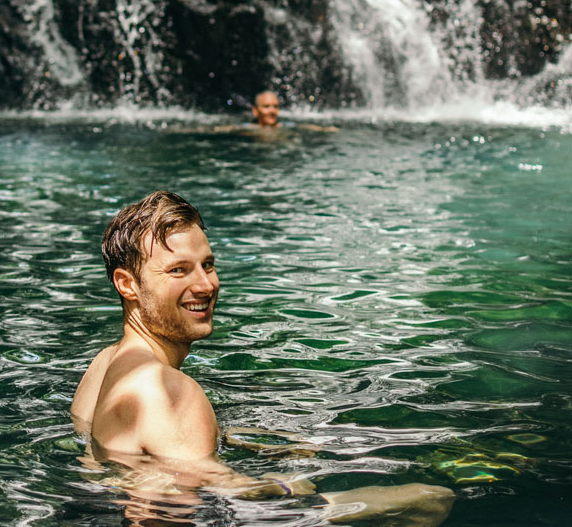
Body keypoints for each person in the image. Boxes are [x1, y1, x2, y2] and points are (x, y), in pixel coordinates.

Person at [71, 191, 454, 524]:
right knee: (429, 499)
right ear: (127, 284)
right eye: (178, 270)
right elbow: (198, 503)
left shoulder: (106, 364)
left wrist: (237, 439)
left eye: (208, 264)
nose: (205, 285)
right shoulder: (169, 390)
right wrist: (290, 484)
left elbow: (136, 464)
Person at [251, 90, 337, 132]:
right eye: (266, 106)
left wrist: (324, 129)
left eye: (275, 106)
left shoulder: (284, 126)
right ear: (255, 110)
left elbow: (303, 126)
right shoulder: (247, 129)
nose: (272, 110)